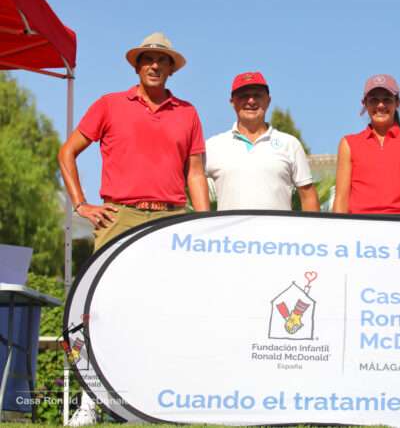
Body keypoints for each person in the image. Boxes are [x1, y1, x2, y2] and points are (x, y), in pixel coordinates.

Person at [57, 32, 209, 425]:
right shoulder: (109, 105)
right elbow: (67, 152)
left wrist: (206, 222)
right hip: (118, 217)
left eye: (162, 61)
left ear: (172, 68)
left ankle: (152, 398)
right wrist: (81, 204)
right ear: (137, 66)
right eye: (147, 60)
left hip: (170, 220)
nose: (155, 66)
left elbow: (195, 173)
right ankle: (93, 398)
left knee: (165, 309)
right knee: (103, 310)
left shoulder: (187, 112)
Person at [205, 71, 319, 211]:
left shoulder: (289, 144)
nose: (251, 101)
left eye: (257, 95)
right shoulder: (213, 146)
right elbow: (192, 181)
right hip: (230, 233)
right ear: (232, 102)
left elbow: (308, 196)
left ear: (268, 100)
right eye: (243, 96)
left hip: (278, 233)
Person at [333, 74, 400, 214]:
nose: (380, 105)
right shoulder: (348, 144)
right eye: (374, 100)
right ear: (365, 103)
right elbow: (340, 199)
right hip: (360, 229)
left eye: (387, 99)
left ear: (397, 102)